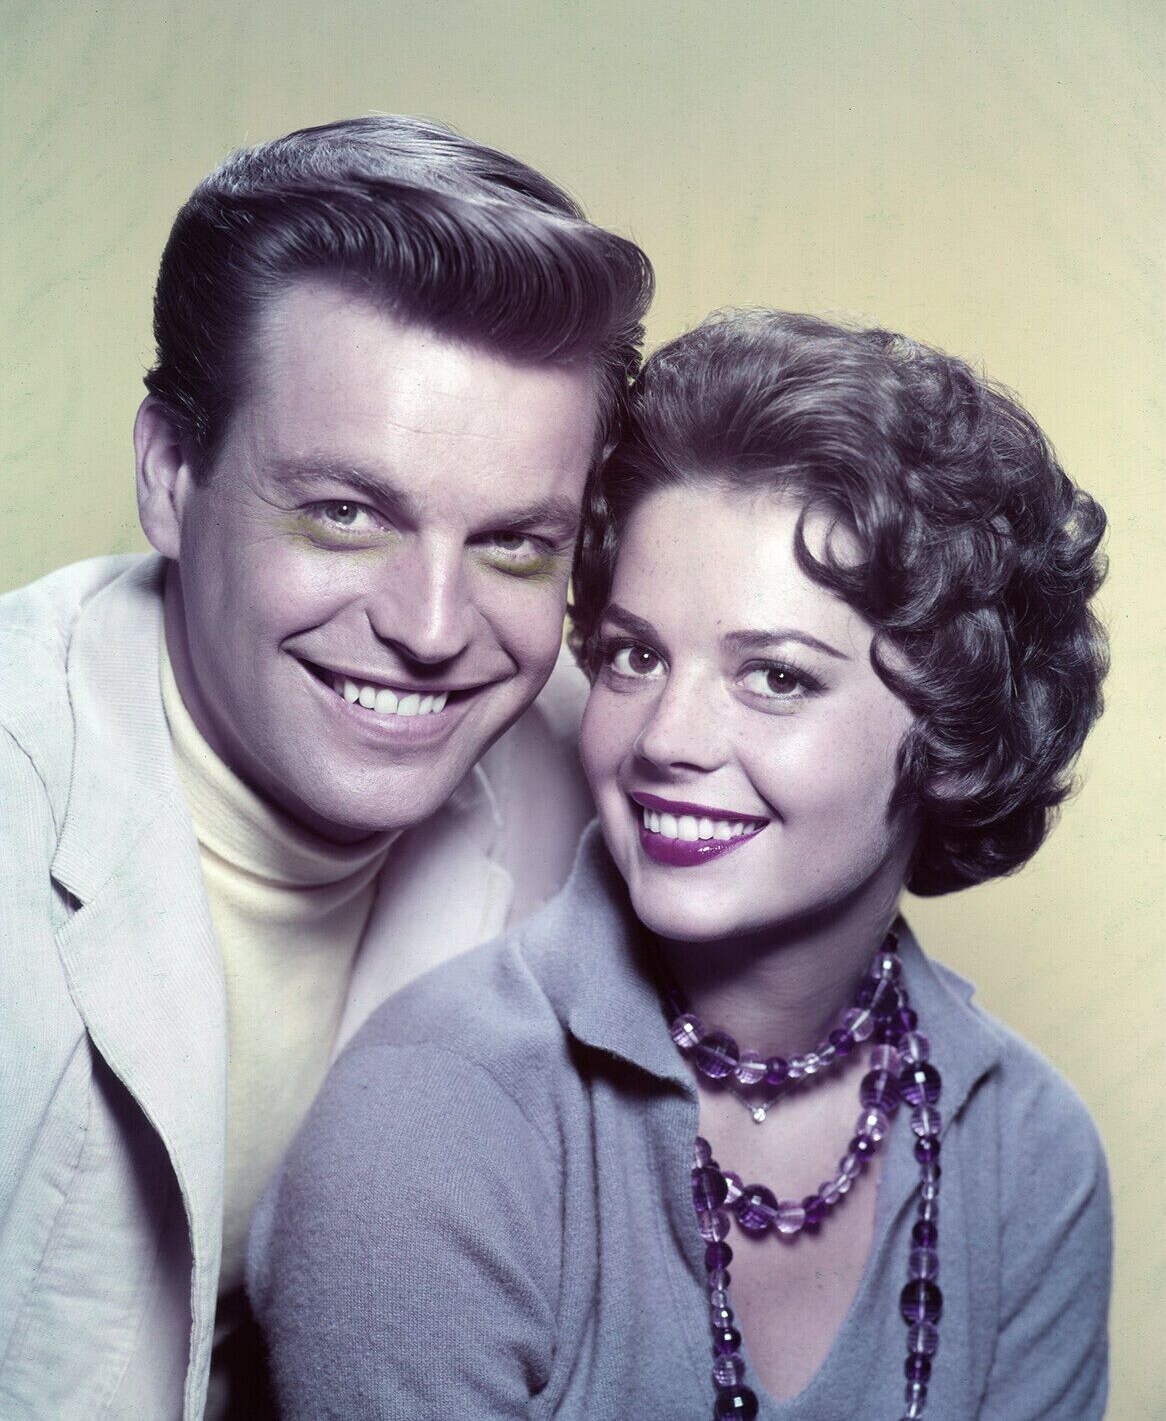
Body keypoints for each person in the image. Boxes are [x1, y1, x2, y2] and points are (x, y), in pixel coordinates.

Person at [251, 310, 1112, 1420]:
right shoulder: (433, 1117)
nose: (665, 739)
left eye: (776, 677)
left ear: (953, 730)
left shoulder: (1029, 1150)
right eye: (634, 656)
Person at [0, 115, 652, 1419]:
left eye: (516, 546)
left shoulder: (619, 774)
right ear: (170, 474)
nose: (431, 627)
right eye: (345, 515)